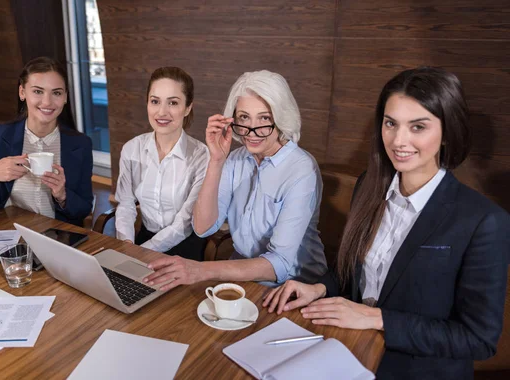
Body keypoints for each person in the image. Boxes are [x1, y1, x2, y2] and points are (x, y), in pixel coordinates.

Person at [263, 67, 510, 379]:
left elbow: (478, 339)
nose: (398, 140)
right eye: (391, 123)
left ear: (447, 132)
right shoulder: (369, 186)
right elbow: (352, 274)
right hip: (347, 352)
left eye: (418, 127)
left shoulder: (484, 221)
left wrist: (377, 318)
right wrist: (317, 288)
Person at [143, 70, 327, 290]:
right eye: (244, 117)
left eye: (265, 118)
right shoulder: (236, 159)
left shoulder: (302, 168)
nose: (252, 131)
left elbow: (279, 263)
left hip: (294, 285)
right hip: (243, 276)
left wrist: (200, 270)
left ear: (281, 118)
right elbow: (203, 227)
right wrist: (216, 160)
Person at [0, 57, 93, 226]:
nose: (47, 102)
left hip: (57, 237)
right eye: (38, 91)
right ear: (22, 92)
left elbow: (84, 209)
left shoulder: (81, 144)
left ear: (65, 97)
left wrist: (62, 195)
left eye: (56, 93)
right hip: (11, 235)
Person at [114, 67, 209, 261]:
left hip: (185, 247)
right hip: (143, 239)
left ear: (188, 107)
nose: (161, 112)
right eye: (155, 101)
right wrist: (126, 244)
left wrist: (142, 252)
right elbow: (125, 204)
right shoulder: (132, 149)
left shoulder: (201, 155)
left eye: (173, 103)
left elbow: (185, 222)